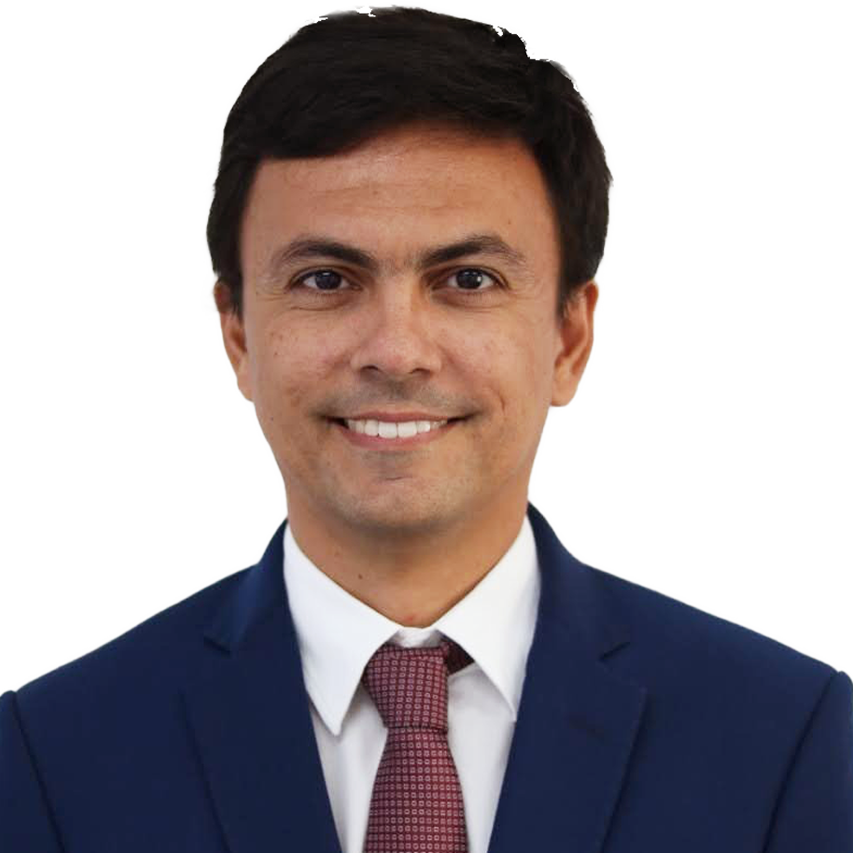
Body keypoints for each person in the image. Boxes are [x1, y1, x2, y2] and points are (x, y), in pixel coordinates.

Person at [1, 5, 850, 852]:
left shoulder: (794, 742)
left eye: (467, 279)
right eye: (326, 278)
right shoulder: (44, 759)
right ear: (239, 336)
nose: (397, 351)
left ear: (567, 338)